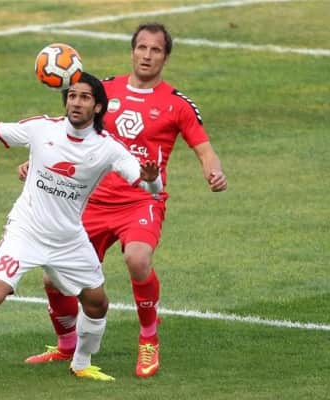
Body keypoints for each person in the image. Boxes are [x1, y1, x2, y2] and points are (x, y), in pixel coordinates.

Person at [0, 72, 163, 382]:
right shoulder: (42, 128)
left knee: (97, 304)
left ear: (98, 107)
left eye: (85, 97)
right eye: (72, 96)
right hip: (26, 232)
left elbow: (150, 188)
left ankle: (81, 363)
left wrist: (152, 178)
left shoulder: (108, 148)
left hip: (69, 239)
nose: (76, 103)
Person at [21, 23, 228, 378]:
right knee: (53, 279)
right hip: (92, 201)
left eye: (156, 50)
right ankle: (66, 345)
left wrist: (214, 172)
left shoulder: (177, 104)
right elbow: (67, 129)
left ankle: (148, 339)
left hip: (141, 201)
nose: (147, 55)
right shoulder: (105, 90)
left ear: (166, 57)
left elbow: (204, 149)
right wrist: (38, 161)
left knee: (137, 258)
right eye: (142, 48)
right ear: (132, 51)